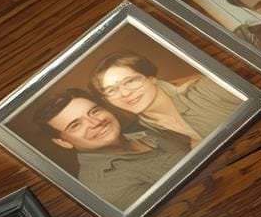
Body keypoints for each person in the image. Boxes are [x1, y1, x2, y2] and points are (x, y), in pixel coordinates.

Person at [32, 89, 192, 209]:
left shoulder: (145, 131)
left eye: (94, 111)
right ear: (63, 142)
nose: (95, 122)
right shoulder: (103, 188)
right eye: (75, 125)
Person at [89, 51, 240, 146]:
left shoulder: (210, 88)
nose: (124, 93)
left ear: (151, 77)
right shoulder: (142, 138)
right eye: (111, 90)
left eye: (130, 81)